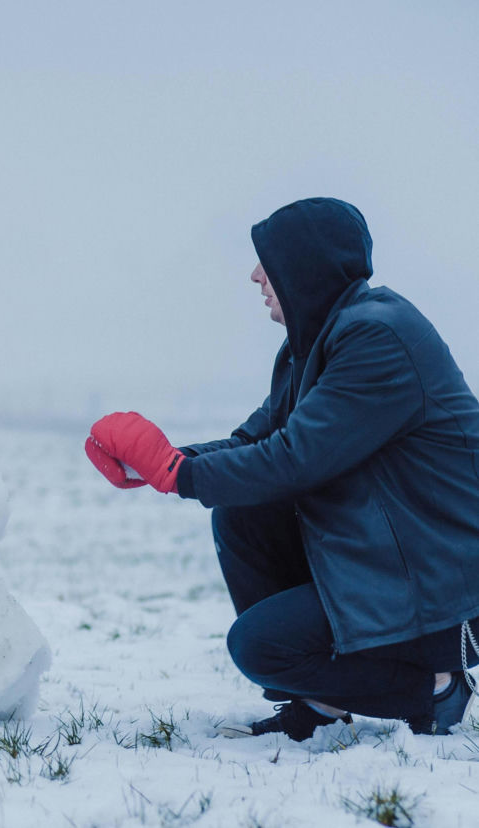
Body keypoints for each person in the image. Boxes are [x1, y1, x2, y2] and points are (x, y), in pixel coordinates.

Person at [85, 197, 479, 741]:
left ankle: (436, 688)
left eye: (266, 263)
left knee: (259, 646)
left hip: (448, 587)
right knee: (242, 513)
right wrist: (162, 462)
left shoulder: (378, 337)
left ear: (305, 264)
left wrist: (177, 473)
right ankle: (322, 705)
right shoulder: (312, 347)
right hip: (389, 562)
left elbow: (294, 459)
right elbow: (254, 442)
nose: (254, 277)